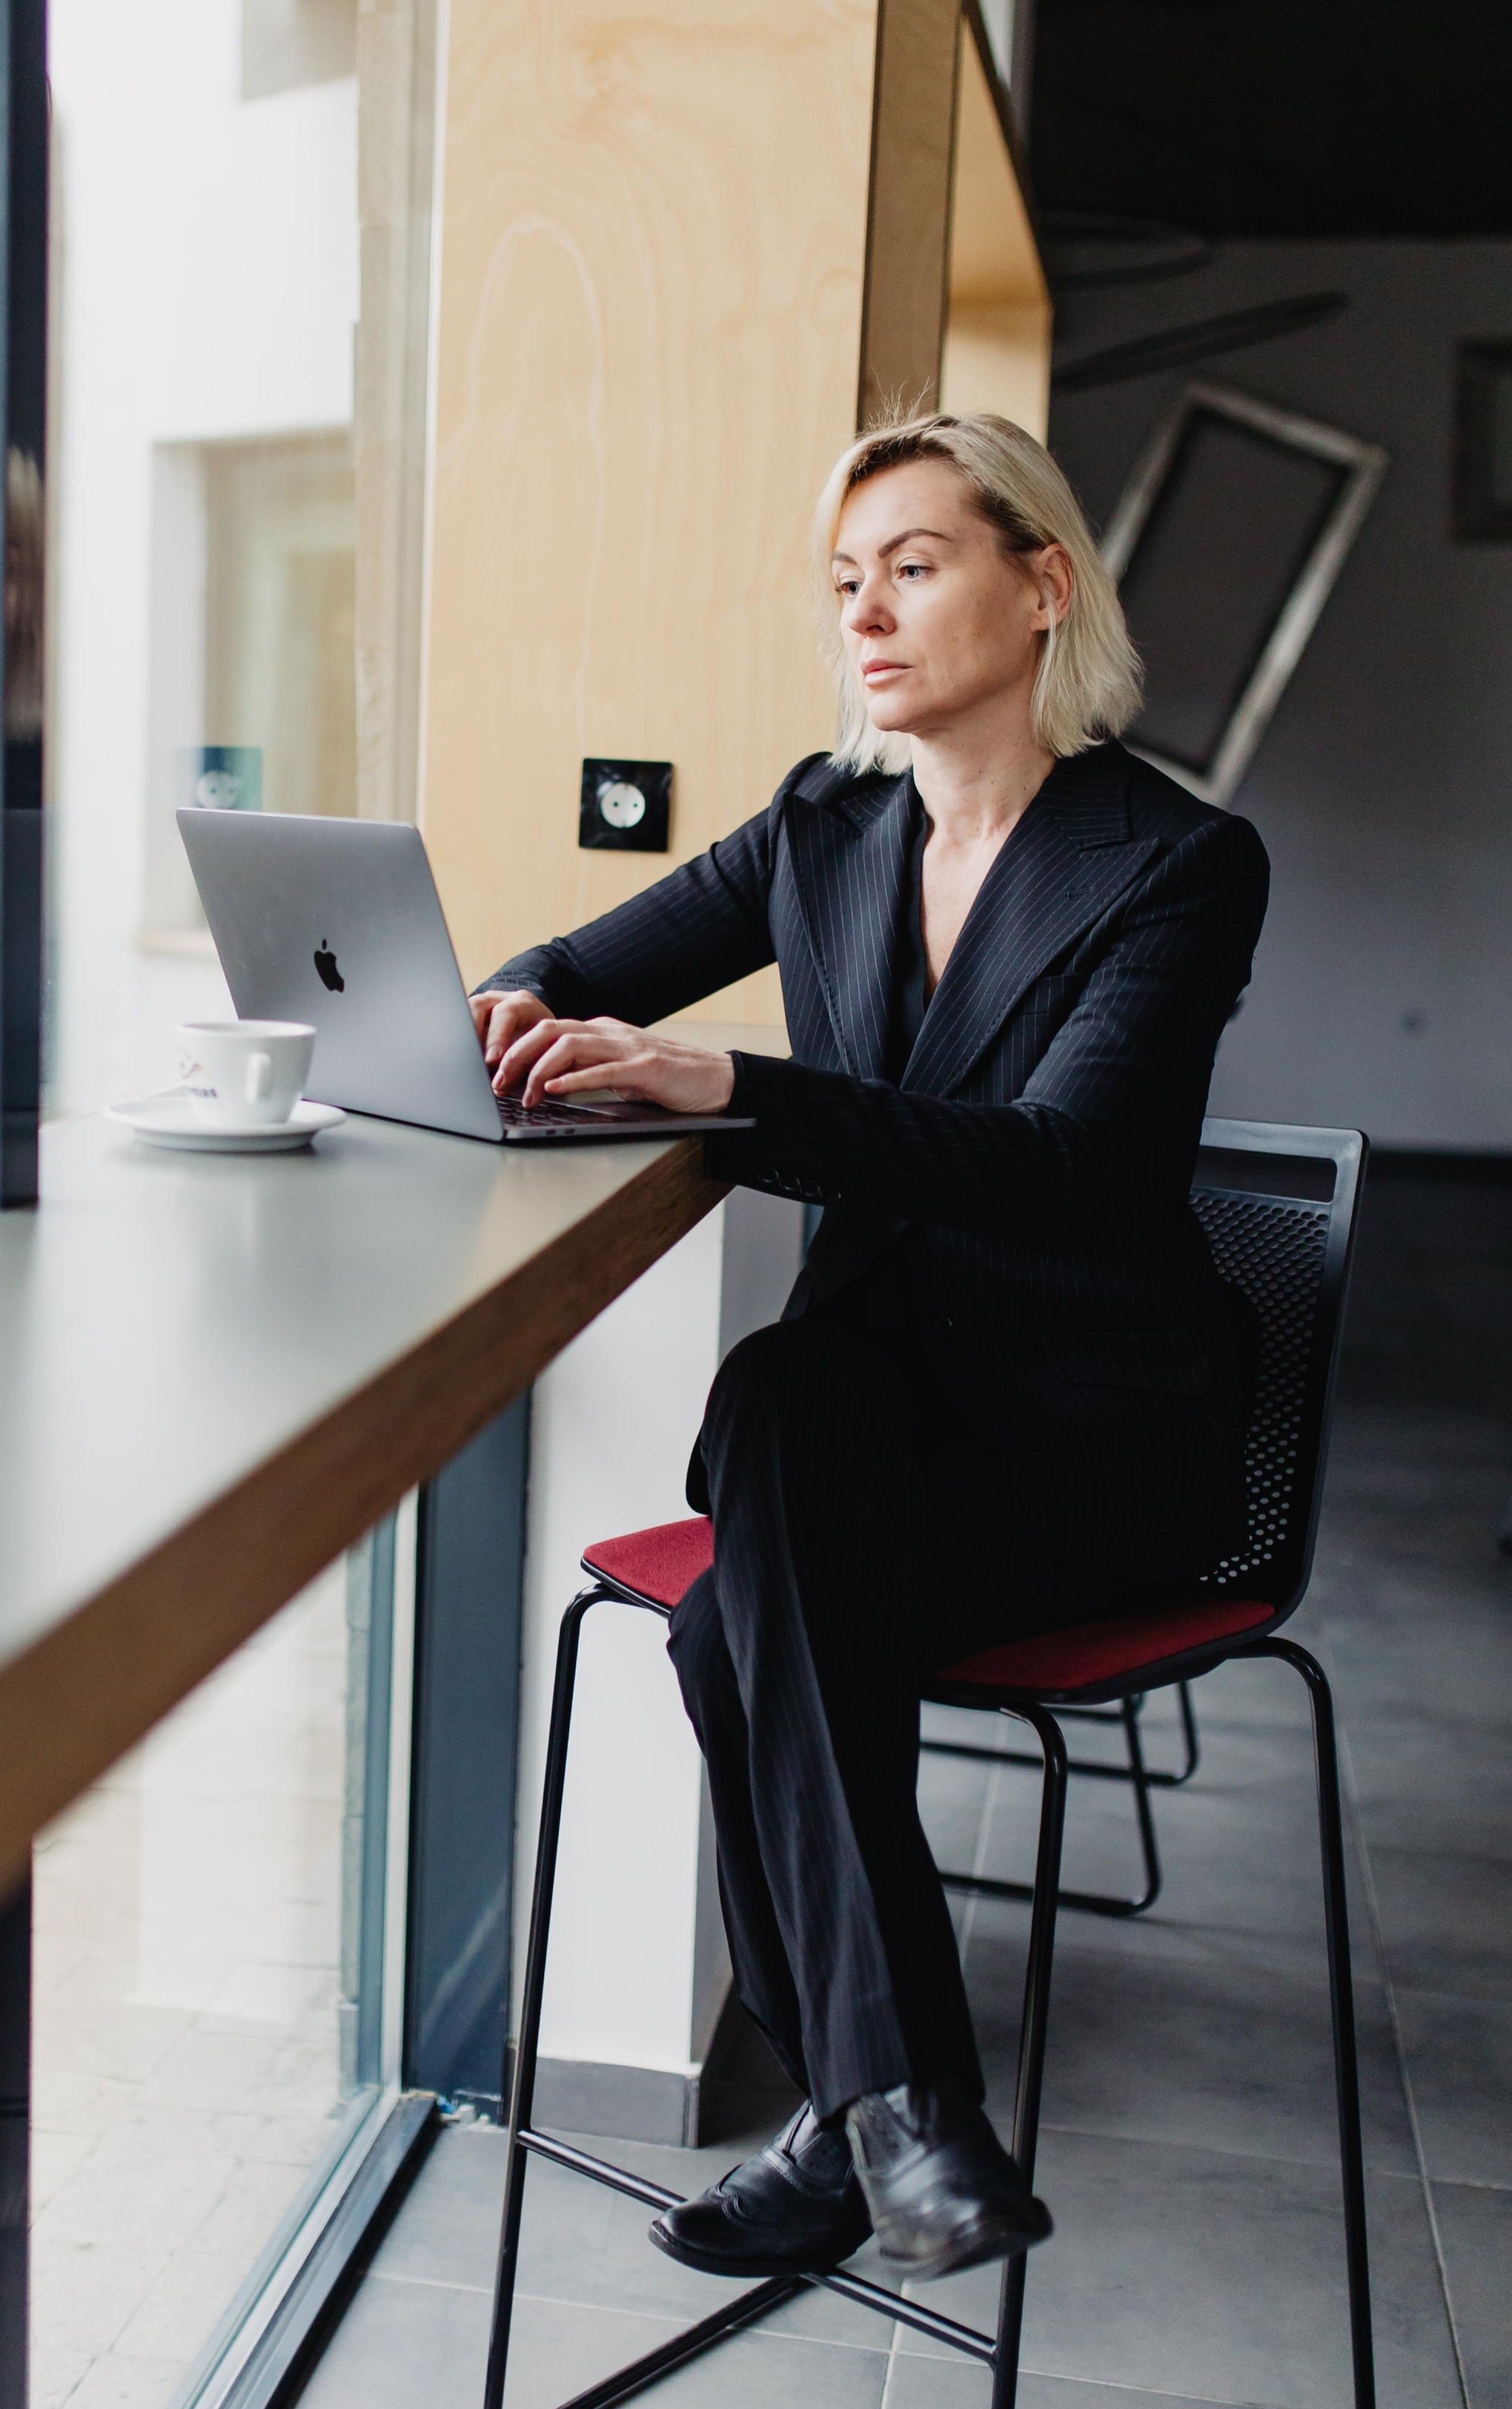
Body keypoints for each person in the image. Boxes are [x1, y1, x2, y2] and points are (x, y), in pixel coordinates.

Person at [469, 411, 1270, 2285]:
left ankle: (852, 2115)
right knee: (777, 1401)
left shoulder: (1175, 863)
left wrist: (734, 1085)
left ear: (1038, 580)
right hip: (874, 1429)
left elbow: (1057, 1169)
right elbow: (572, 968)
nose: (868, 616)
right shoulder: (822, 829)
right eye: (844, 583)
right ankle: (905, 2117)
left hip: (1084, 1452)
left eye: (913, 564)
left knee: (721, 1614)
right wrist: (494, 1022)